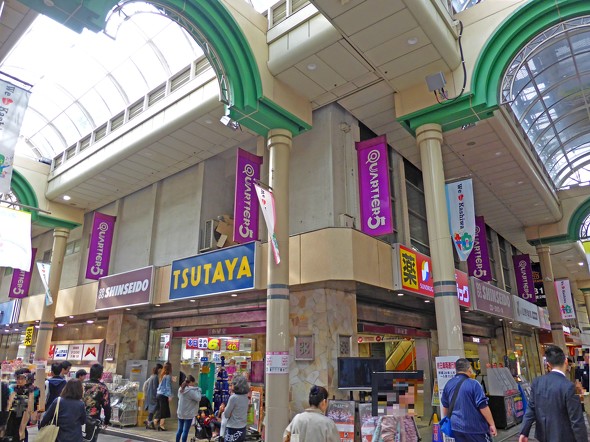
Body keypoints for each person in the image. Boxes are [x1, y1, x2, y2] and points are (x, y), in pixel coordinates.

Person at [519, 345, 588, 442]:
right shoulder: (569, 386)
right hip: (564, 438)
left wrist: (524, 432)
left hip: (543, 437)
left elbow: (531, 409)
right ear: (566, 361)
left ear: (548, 364)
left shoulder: (537, 382)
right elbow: (576, 421)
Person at [440, 358, 497, 442]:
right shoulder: (474, 384)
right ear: (469, 369)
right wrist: (492, 424)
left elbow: (445, 407)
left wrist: (449, 420)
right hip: (475, 428)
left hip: (456, 428)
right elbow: (483, 406)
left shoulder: (448, 384)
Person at [83, 363, 111, 442]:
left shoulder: (82, 385)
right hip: (93, 420)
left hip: (78, 418)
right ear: (101, 374)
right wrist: (106, 421)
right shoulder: (103, 388)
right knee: (91, 438)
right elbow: (107, 406)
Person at [6, 371, 37, 442]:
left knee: (20, 433)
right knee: (10, 434)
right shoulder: (13, 389)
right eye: (18, 379)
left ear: (26, 380)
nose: (20, 381)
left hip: (23, 416)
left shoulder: (30, 391)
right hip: (12, 416)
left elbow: (30, 406)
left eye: (22, 379)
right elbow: (9, 404)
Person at [222, 374, 250, 442]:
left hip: (232, 428)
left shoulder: (233, 398)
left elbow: (226, 414)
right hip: (242, 428)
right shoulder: (246, 398)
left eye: (232, 384)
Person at [176, 375, 202, 442]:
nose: (193, 384)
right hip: (188, 413)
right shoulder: (191, 391)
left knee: (179, 430)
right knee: (185, 430)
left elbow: (179, 397)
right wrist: (199, 390)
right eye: (193, 383)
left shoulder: (181, 388)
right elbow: (198, 398)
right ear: (191, 382)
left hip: (180, 412)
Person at [154, 361, 173, 431]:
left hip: (159, 394)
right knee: (164, 411)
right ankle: (159, 425)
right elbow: (167, 387)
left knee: (160, 410)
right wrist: (170, 396)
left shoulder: (162, 375)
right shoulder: (167, 376)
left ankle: (155, 423)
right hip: (163, 395)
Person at [143, 363, 162, 429]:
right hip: (153, 396)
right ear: (159, 369)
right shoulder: (156, 377)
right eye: (161, 369)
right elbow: (155, 388)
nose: (161, 371)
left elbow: (146, 384)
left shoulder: (152, 376)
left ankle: (149, 421)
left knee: (152, 410)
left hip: (149, 395)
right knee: (156, 409)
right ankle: (150, 422)